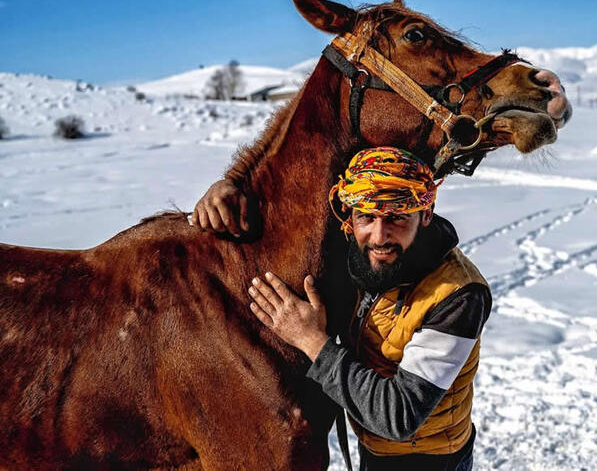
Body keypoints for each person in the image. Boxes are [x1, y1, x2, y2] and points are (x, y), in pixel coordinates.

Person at [193, 147, 491, 471]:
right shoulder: (363, 250)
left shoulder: (458, 296)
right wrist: (227, 190)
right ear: (350, 218)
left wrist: (310, 341)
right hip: (374, 449)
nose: (379, 236)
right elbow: (289, 197)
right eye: (366, 216)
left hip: (430, 461)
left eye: (397, 217)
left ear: (426, 214)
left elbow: (399, 414)